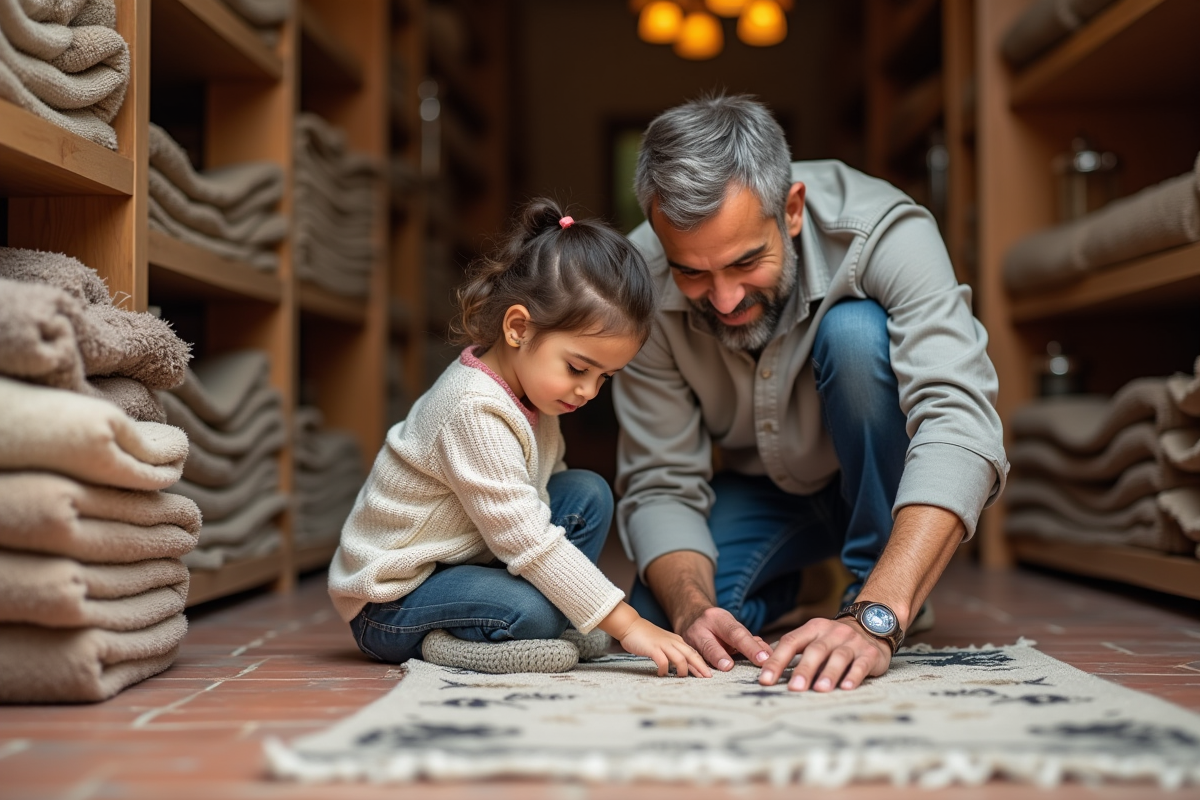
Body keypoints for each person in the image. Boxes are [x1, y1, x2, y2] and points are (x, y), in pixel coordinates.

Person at [614, 94, 1008, 694]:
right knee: (674, 611)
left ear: (791, 210)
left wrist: (878, 618)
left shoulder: (885, 229)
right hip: (763, 494)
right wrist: (692, 607)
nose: (724, 299)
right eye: (692, 272)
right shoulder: (640, 278)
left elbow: (961, 422)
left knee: (856, 336)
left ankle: (872, 581)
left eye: (747, 262)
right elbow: (660, 480)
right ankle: (809, 582)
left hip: (879, 487)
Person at [329, 198, 710, 679]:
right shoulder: (472, 410)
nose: (589, 390)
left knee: (587, 493)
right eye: (578, 368)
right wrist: (628, 623)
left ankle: (547, 618)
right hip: (393, 599)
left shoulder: (535, 393)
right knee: (531, 611)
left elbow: (543, 506)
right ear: (517, 328)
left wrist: (582, 598)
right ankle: (449, 645)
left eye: (605, 377)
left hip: (466, 560)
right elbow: (530, 542)